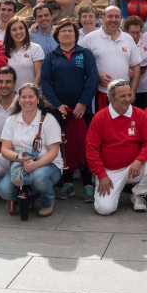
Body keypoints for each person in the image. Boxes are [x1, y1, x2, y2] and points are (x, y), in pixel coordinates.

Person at [86, 79, 147, 215]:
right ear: (111, 98)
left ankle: (138, 194)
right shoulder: (100, 117)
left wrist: (139, 160)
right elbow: (91, 150)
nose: (128, 99)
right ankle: (107, 187)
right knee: (105, 210)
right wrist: (101, 174)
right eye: (123, 96)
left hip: (134, 167)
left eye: (129, 95)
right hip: (110, 171)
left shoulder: (140, 114)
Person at [41, 18, 98, 201]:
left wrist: (83, 102)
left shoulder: (85, 54)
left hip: (83, 110)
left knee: (85, 145)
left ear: (76, 34)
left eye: (71, 31)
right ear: (57, 35)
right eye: (63, 31)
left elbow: (92, 79)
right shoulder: (51, 56)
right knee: (63, 146)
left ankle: (88, 183)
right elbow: (45, 83)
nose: (67, 34)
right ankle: (67, 183)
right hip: (60, 111)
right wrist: (57, 105)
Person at [0, 83, 64, 217]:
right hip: (20, 164)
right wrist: (17, 158)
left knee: (38, 178)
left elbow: (53, 151)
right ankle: (31, 196)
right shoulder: (11, 120)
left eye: (31, 97)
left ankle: (47, 201)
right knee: (4, 191)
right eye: (23, 97)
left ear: (38, 99)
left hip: (48, 164)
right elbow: (5, 149)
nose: (27, 100)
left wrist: (36, 165)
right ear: (18, 100)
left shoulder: (49, 120)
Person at [79, 6, 140, 109]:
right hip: (100, 94)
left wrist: (132, 91)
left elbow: (136, 66)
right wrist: (97, 74)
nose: (113, 20)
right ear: (102, 19)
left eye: (117, 17)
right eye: (110, 16)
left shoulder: (128, 38)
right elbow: (80, 65)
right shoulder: (90, 38)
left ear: (121, 19)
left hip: (124, 95)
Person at [0, 16, 44, 92]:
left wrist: (30, 92)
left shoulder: (35, 48)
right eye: (14, 30)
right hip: (9, 96)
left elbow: (39, 74)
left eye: (21, 28)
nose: (18, 32)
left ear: (26, 30)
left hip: (29, 95)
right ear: (9, 33)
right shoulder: (4, 50)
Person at [123, 16, 147, 109]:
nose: (135, 36)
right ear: (126, 31)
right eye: (132, 32)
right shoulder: (121, 41)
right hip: (128, 89)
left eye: (138, 32)